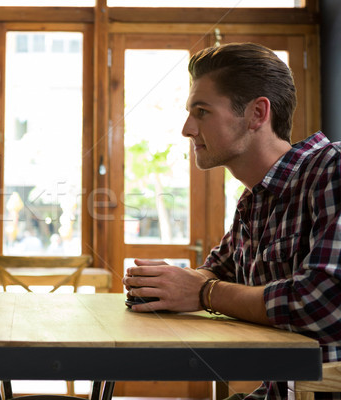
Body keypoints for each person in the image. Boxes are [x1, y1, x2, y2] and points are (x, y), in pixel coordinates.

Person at [123, 42, 341, 400]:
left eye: (202, 111)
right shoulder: (254, 200)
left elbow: (323, 303)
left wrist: (203, 292)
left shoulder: (331, 169)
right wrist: (168, 284)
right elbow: (215, 271)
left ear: (257, 114)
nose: (187, 128)